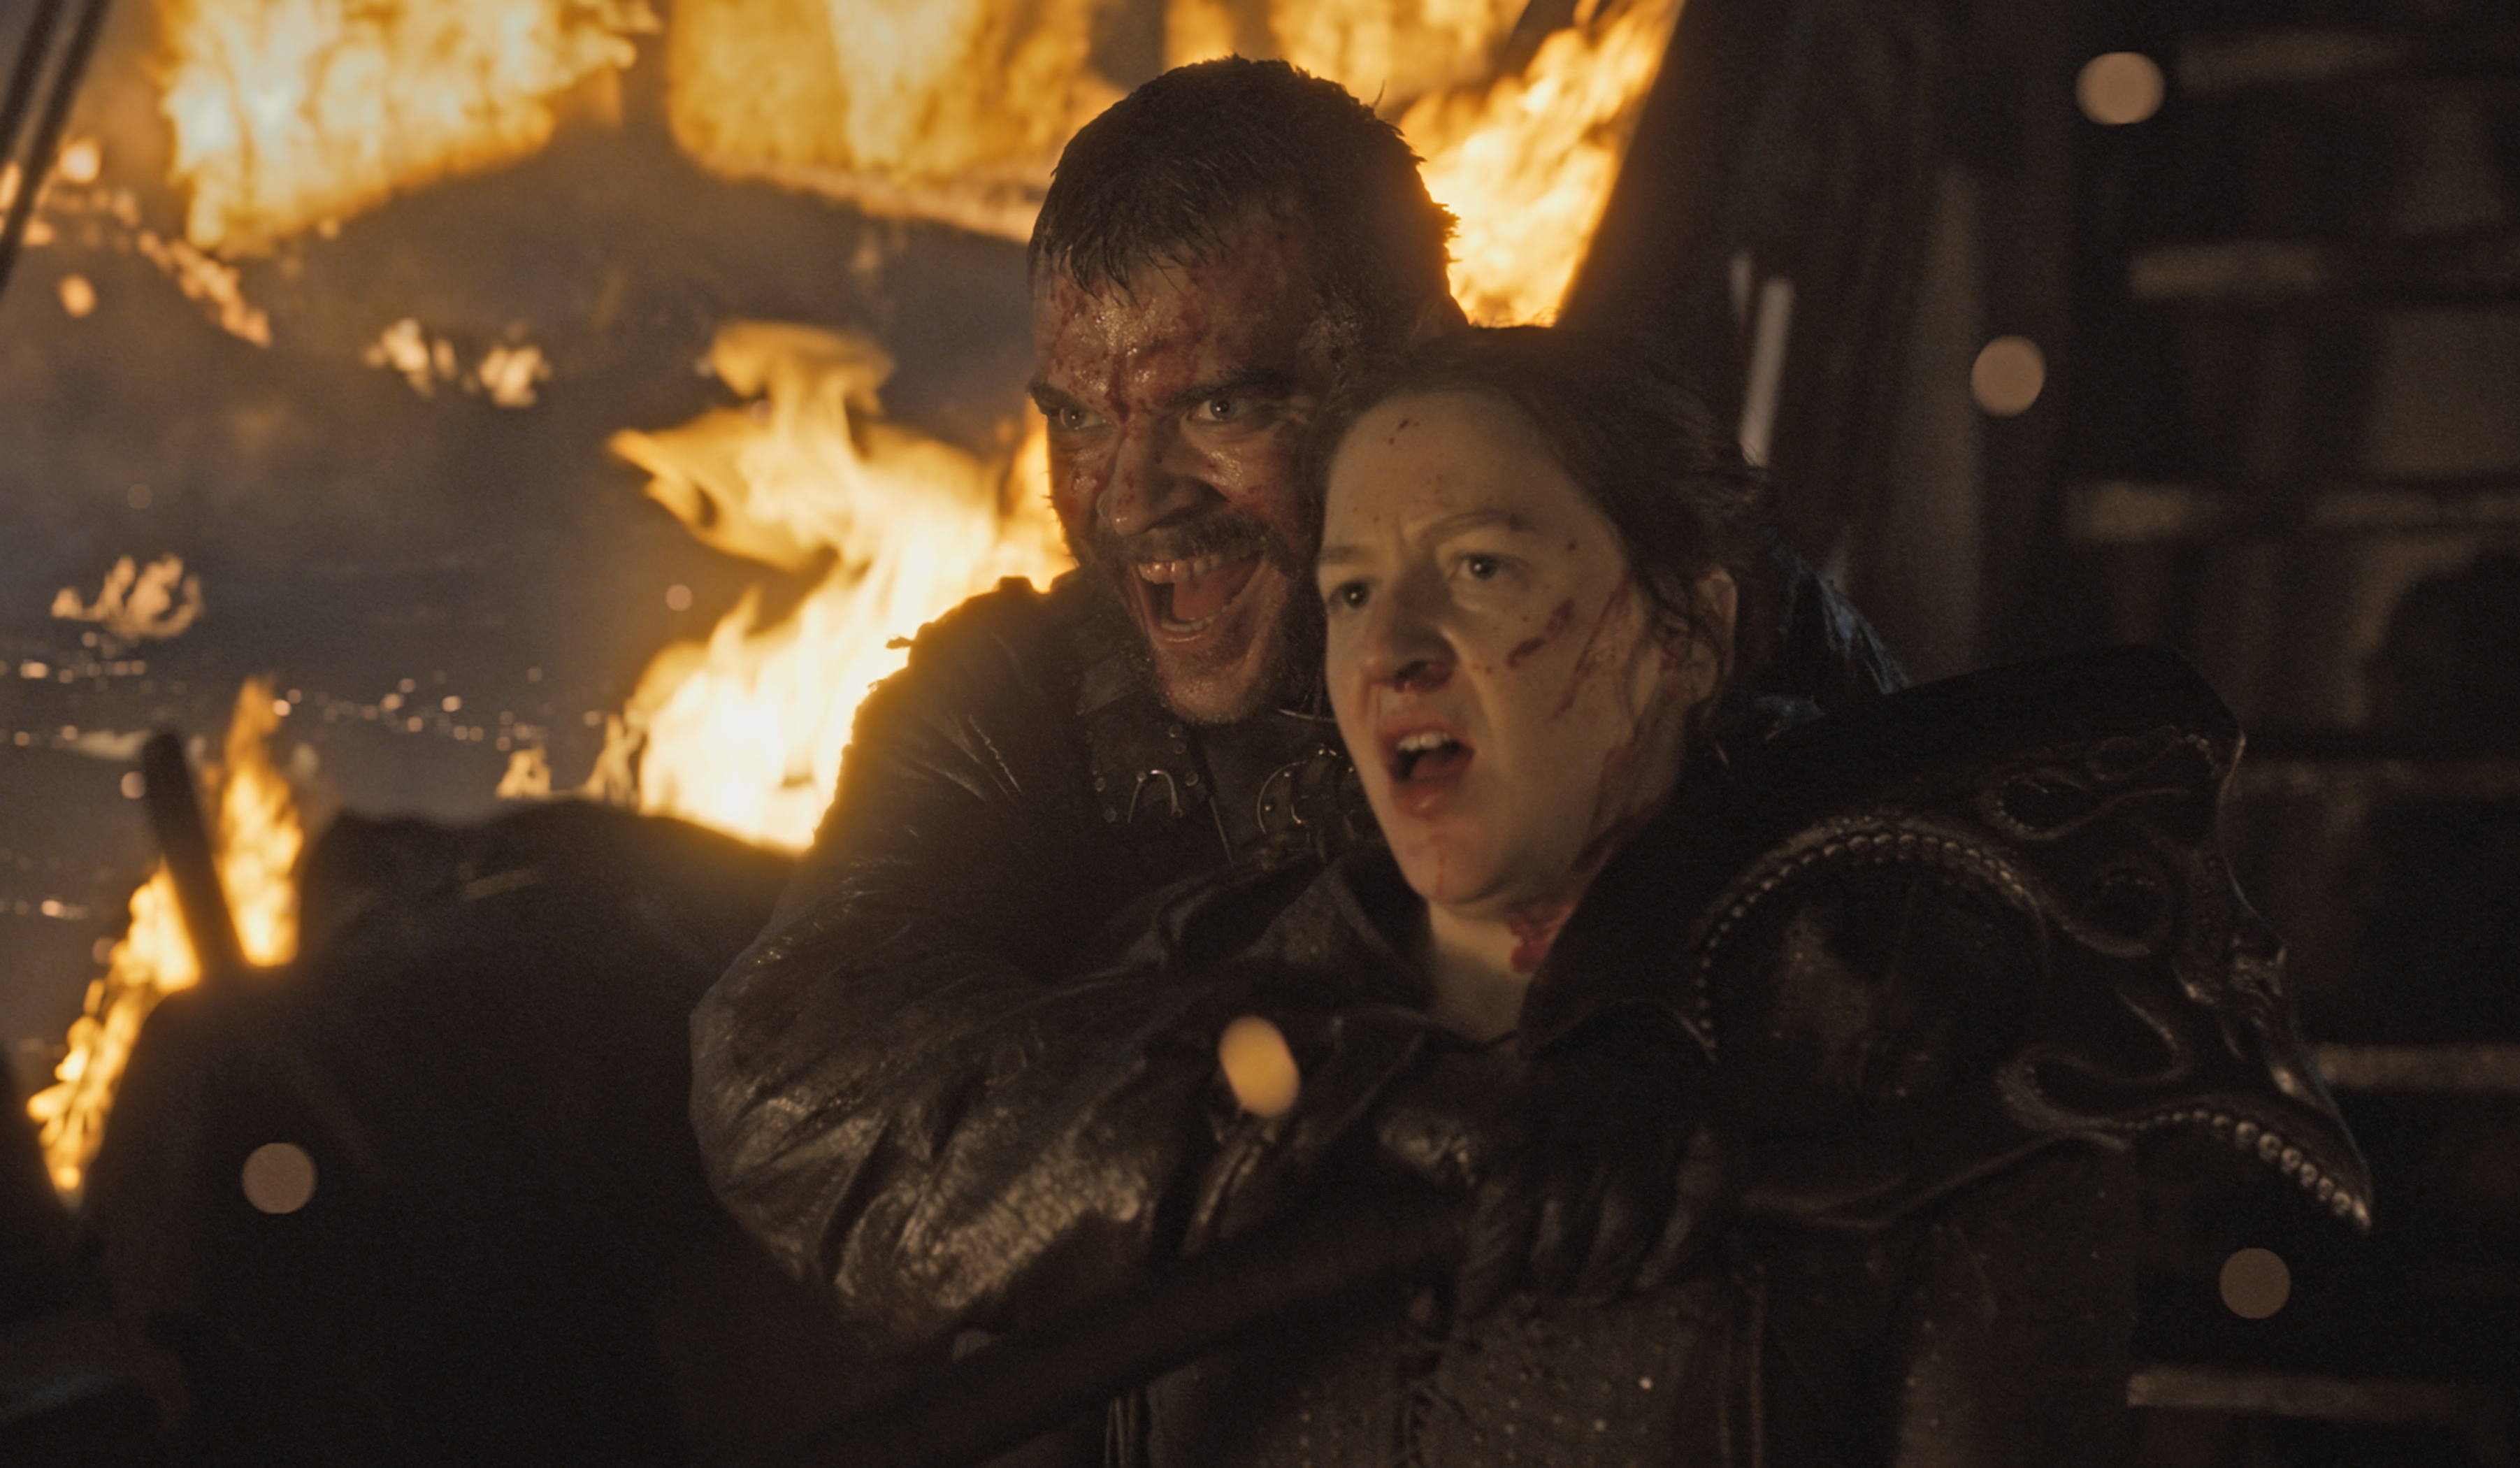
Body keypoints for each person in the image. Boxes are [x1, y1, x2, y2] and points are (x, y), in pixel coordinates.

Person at [782, 325, 2373, 1466]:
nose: (1394, 648)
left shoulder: (1923, 1070)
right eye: (1352, 591)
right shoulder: (1195, 1001)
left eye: (1481, 568)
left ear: (1689, 633)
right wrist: (1368, 1115)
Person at [688, 54, 1902, 1372]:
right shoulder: (1019, 708)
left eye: (1220, 407)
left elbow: (1942, 917)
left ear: (1415, 361)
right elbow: (791, 1086)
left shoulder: (1648, 602)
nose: (1133, 500)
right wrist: (1339, 1105)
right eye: (1080, 420)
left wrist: (1693, 1046)